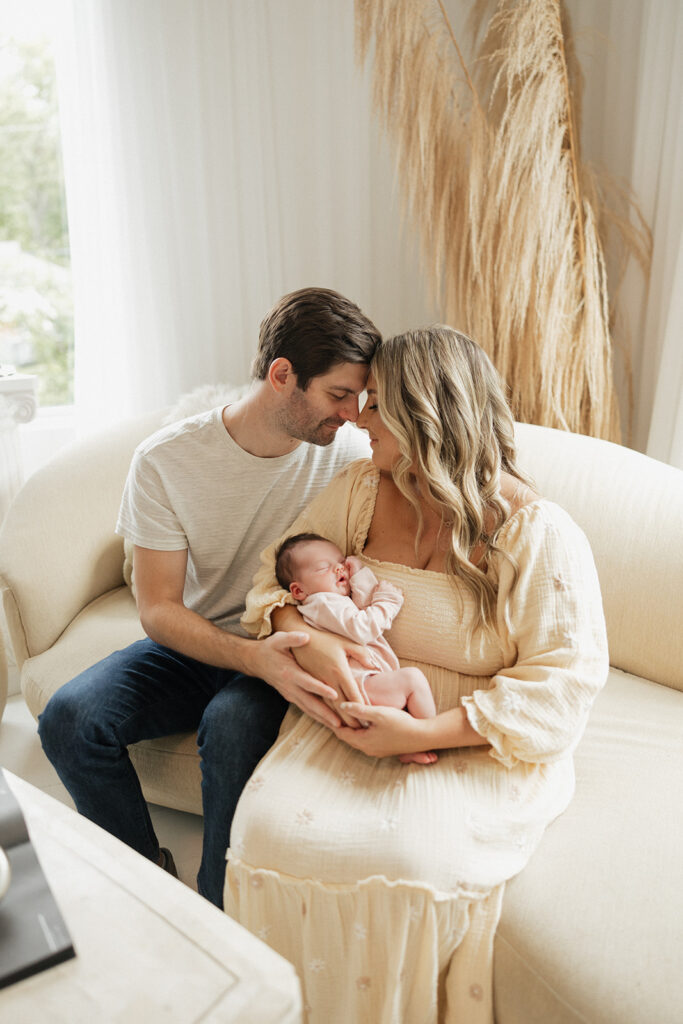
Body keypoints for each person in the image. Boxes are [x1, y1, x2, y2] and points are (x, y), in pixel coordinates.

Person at [231, 326, 609, 1022]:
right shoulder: (360, 491)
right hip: (358, 705)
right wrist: (304, 639)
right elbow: (275, 577)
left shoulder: (534, 530)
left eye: (374, 404)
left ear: (423, 413)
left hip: (468, 733)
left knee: (408, 858)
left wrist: (419, 732)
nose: (356, 418)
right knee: (265, 832)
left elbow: (563, 683)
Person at [37, 286, 382, 909]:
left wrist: (283, 652)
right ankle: (146, 883)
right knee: (68, 718)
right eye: (337, 395)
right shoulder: (167, 461)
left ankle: (219, 909)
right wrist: (250, 657)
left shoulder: (352, 456)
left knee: (229, 727)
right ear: (283, 376)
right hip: (199, 644)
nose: (352, 414)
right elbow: (158, 608)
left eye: (358, 398)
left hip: (294, 642)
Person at [275, 532, 437, 764]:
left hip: (363, 684)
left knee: (401, 706)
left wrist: (358, 573)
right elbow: (363, 627)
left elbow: (362, 603)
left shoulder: (334, 604)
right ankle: (425, 737)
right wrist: (388, 602)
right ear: (299, 591)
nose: (339, 569)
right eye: (324, 567)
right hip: (358, 687)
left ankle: (406, 744)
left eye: (341, 563)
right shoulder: (321, 604)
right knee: (412, 680)